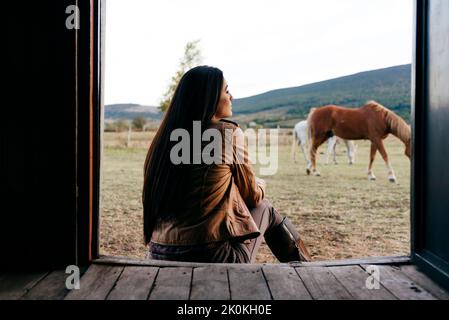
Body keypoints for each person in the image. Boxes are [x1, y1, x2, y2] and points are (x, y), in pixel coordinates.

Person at [142, 65, 311, 263]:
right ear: (209, 97)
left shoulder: (163, 139)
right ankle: (306, 271)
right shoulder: (226, 133)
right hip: (210, 255)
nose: (232, 97)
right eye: (227, 90)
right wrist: (260, 183)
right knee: (265, 207)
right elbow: (252, 195)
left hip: (158, 252)